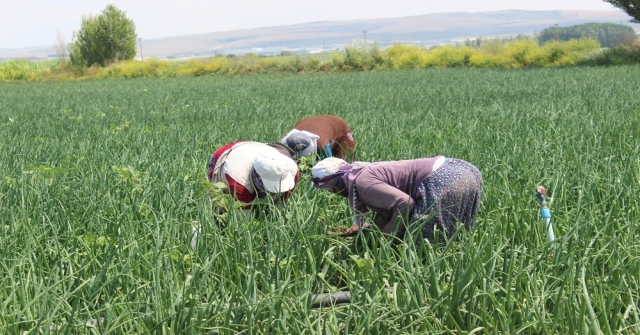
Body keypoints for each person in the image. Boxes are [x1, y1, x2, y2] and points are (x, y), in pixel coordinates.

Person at [310, 156, 482, 245]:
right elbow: (393, 208)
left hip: (444, 177)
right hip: (463, 170)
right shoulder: (362, 172)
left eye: (327, 188)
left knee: (424, 245)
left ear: (333, 181)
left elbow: (404, 204)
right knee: (455, 237)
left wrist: (387, 235)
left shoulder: (362, 182)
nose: (331, 192)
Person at [207, 141, 300, 210]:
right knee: (218, 204)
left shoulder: (291, 171)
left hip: (256, 149)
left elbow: (282, 202)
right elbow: (243, 219)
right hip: (226, 154)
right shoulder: (238, 181)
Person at [281, 115, 356, 161]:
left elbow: (332, 164)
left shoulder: (321, 143)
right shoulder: (287, 139)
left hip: (329, 129)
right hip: (311, 124)